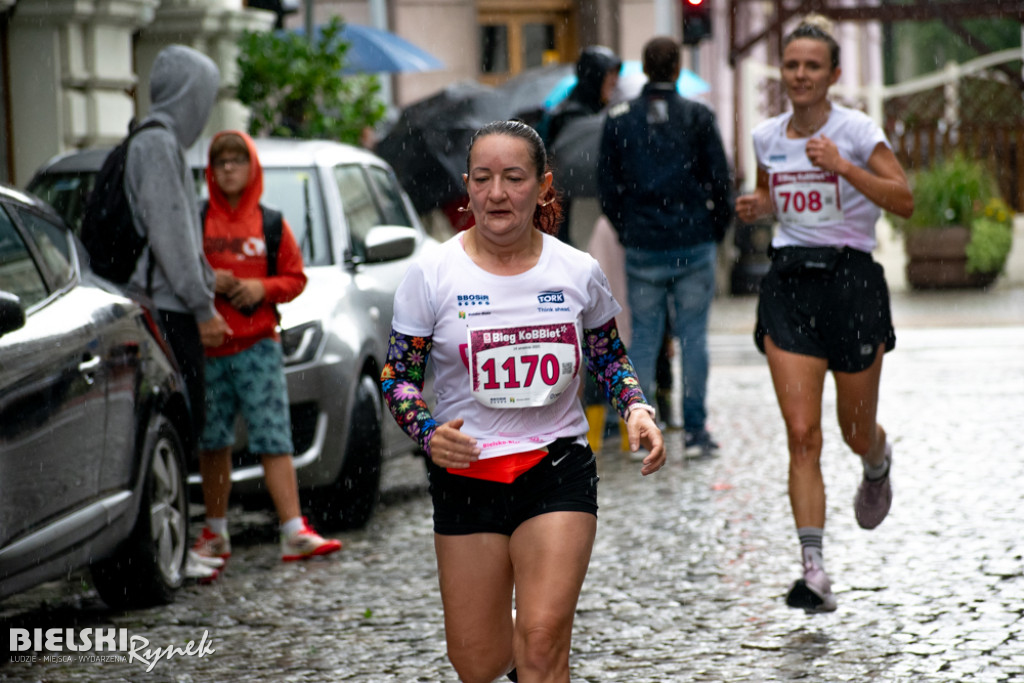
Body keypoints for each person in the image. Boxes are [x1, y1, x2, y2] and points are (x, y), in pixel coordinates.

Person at [380, 120, 665, 683]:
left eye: (513, 178)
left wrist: (636, 407)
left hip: (555, 466)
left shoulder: (576, 271)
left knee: (540, 642)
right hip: (468, 475)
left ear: (542, 186)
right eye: (482, 179)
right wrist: (429, 432)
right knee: (477, 660)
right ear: (467, 187)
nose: (496, 193)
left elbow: (609, 355)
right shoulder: (432, 274)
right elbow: (397, 377)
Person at [735, 15, 913, 613]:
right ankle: (814, 572)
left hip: (853, 281)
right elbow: (771, 197)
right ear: (783, 73)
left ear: (834, 74)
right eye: (792, 65)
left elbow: (904, 199)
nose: (801, 75)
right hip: (789, 281)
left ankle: (877, 460)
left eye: (814, 65)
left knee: (853, 430)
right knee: (802, 435)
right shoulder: (767, 136)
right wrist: (757, 204)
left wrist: (845, 166)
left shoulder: (858, 130)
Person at [190, 130, 342, 567]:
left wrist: (260, 287)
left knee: (274, 438)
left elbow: (295, 279)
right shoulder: (196, 222)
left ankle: (293, 530)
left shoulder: (271, 222)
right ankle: (215, 533)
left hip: (259, 348)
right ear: (211, 172)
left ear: (252, 167)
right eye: (221, 162)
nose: (230, 168)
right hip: (210, 351)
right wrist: (207, 281)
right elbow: (176, 275)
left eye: (238, 160)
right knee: (213, 441)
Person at [123, 46, 231, 580]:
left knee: (179, 426)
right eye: (204, 97)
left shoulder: (152, 142)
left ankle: (175, 546)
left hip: (165, 304)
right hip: (164, 309)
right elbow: (172, 239)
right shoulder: (158, 146)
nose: (205, 110)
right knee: (175, 427)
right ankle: (171, 549)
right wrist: (203, 304)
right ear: (189, 96)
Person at [597, 36, 733, 458]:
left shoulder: (620, 118)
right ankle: (695, 431)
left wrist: (628, 229)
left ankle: (641, 429)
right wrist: (713, 227)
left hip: (644, 242)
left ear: (645, 67)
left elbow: (607, 187)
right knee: (693, 338)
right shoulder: (697, 115)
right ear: (676, 69)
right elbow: (721, 182)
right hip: (692, 239)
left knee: (644, 337)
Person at [537, 45, 622, 245]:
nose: (615, 81)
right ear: (596, 76)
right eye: (610, 75)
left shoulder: (586, 111)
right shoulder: (570, 116)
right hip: (573, 209)